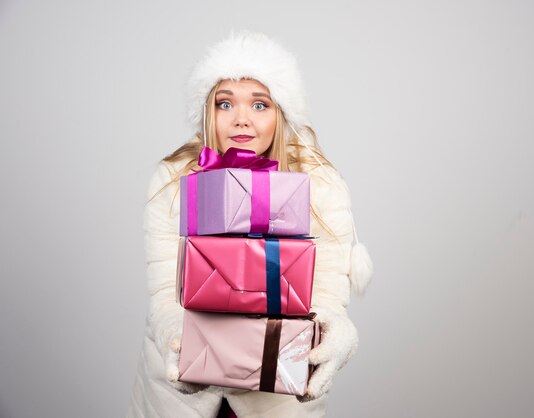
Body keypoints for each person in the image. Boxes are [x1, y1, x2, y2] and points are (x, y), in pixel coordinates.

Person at [127, 29, 373, 418]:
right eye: (226, 104)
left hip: (275, 398)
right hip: (177, 400)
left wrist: (334, 332)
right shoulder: (174, 179)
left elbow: (326, 294)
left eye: (259, 105)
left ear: (281, 112)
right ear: (208, 111)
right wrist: (179, 339)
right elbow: (165, 291)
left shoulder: (319, 183)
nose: (241, 120)